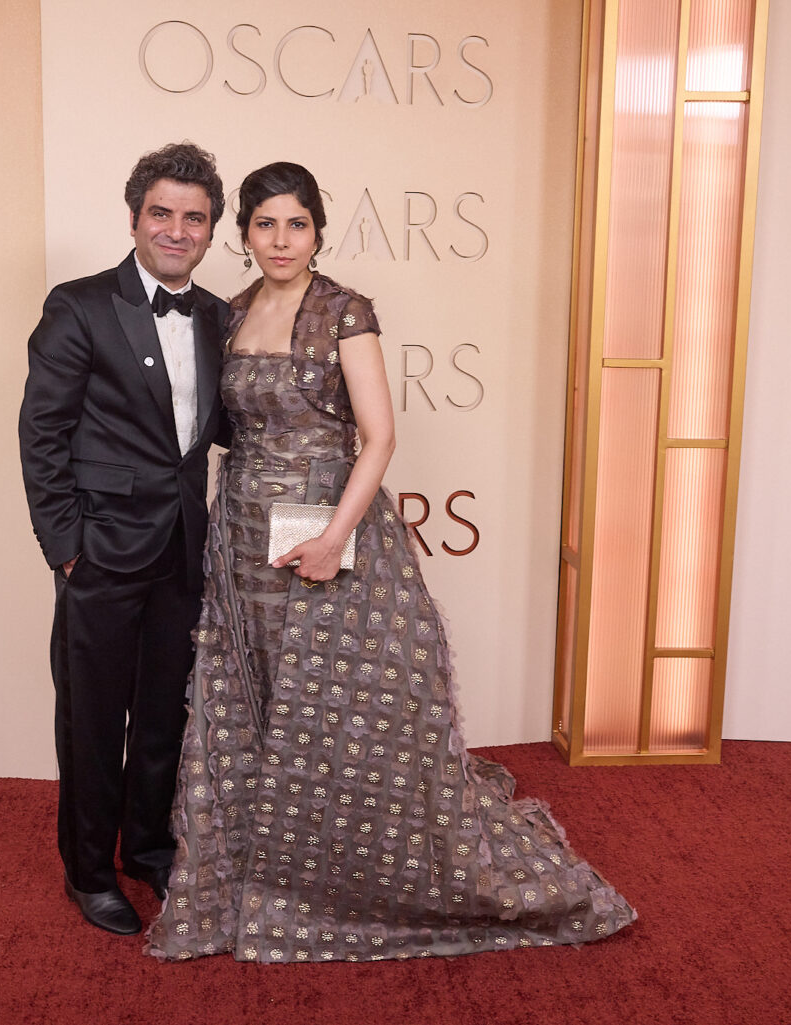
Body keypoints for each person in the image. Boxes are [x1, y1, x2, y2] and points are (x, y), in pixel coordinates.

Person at [146, 162, 636, 962]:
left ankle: (335, 876)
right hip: (241, 532)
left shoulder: (345, 311)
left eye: (297, 224)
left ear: (317, 231)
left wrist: (334, 537)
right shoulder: (228, 313)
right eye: (265, 224)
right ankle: (257, 867)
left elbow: (378, 438)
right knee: (253, 692)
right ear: (243, 234)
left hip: (330, 527)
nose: (281, 240)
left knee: (333, 703)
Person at [19, 142, 230, 935]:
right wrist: (66, 547)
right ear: (135, 218)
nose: (177, 230)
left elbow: (224, 427)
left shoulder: (218, 316)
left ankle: (147, 847)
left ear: (211, 230)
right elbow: (42, 432)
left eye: (194, 218)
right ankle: (88, 870)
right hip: (100, 553)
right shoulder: (80, 306)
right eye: (162, 213)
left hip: (183, 552)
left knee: (166, 717)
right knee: (94, 722)